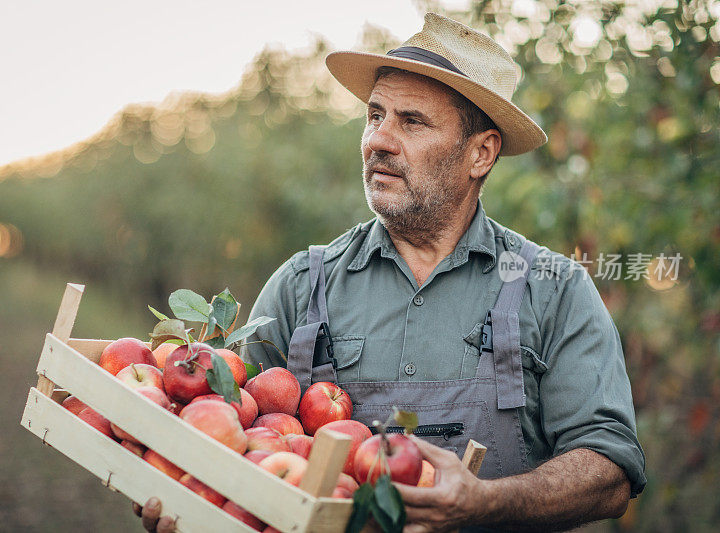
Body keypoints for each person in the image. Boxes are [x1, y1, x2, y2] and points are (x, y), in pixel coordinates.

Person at [137, 13, 645, 532]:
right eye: (375, 115)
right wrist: (191, 493)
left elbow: (610, 471)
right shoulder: (300, 287)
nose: (379, 139)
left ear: (481, 153)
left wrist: (485, 501)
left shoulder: (553, 288)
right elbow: (236, 438)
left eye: (413, 121)